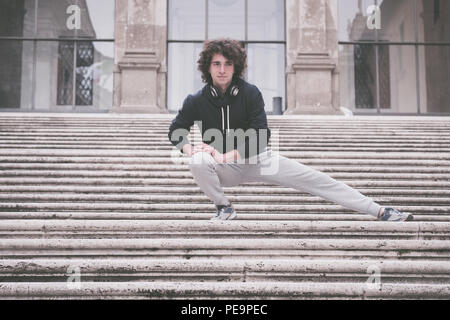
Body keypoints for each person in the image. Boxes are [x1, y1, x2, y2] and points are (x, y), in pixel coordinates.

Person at [168, 38, 413, 222]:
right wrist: (191, 148)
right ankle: (224, 207)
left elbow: (261, 136)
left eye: (228, 64)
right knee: (198, 160)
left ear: (236, 67)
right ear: (207, 68)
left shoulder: (250, 92)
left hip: (256, 158)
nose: (222, 69)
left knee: (317, 179)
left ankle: (380, 210)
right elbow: (176, 130)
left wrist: (225, 154)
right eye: (217, 64)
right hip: (224, 168)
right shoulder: (196, 100)